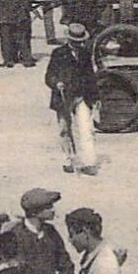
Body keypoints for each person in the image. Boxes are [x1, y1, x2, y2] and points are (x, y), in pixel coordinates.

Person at [45, 23, 100, 175]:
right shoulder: (58, 53)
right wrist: (56, 83)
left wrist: (95, 97)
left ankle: (88, 162)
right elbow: (49, 76)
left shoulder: (85, 53)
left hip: (82, 96)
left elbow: (90, 76)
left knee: (86, 129)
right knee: (65, 130)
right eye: (76, 42)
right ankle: (68, 160)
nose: (79, 45)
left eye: (81, 42)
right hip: (63, 97)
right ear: (69, 40)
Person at [15, 188, 74, 274]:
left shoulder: (51, 232)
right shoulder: (16, 235)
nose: (53, 210)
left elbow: (66, 265)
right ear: (34, 212)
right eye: (48, 207)